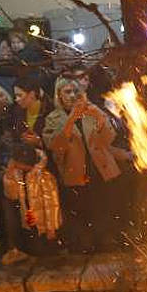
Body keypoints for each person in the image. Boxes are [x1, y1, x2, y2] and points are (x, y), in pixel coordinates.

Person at [42, 75, 128, 251]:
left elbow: (109, 137)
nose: (72, 95)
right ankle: (84, 245)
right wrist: (70, 120)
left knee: (104, 207)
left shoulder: (91, 111)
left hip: (100, 168)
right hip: (75, 172)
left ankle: (107, 241)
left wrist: (100, 117)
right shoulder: (53, 118)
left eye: (76, 91)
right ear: (59, 95)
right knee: (82, 210)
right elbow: (56, 146)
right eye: (67, 92)